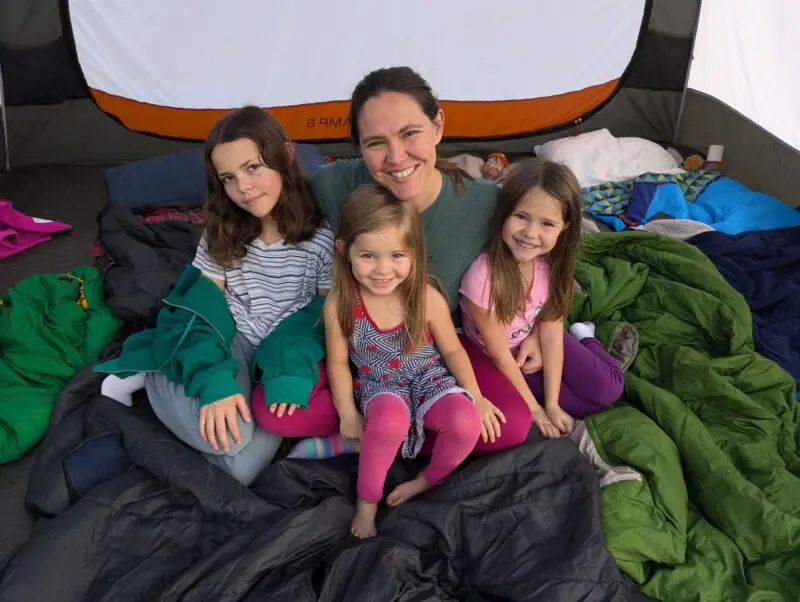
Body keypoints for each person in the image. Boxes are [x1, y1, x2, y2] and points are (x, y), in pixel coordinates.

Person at [255, 66, 531, 450]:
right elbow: (272, 205)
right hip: (356, 351)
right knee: (273, 410)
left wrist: (542, 325)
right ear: (359, 147)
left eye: (410, 133)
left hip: (432, 355)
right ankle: (385, 425)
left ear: (438, 126)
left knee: (513, 424)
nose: (396, 157)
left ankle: (384, 433)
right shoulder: (333, 186)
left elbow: (532, 255)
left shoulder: (484, 202)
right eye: (375, 143)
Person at [95, 106, 334, 486]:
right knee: (231, 441)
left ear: (285, 156)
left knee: (242, 470)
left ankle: (185, 412)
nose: (244, 187)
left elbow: (320, 314)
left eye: (253, 167)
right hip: (230, 337)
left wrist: (288, 366)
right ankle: (159, 371)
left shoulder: (322, 237)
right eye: (229, 177)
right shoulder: (223, 231)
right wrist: (213, 383)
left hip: (281, 346)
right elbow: (201, 308)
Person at [308, 184, 486, 538]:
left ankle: (426, 479)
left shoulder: (427, 297)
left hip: (429, 377)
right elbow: (339, 364)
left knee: (467, 422)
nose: (382, 269)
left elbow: (452, 351)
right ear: (345, 251)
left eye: (396, 255)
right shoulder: (341, 306)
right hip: (380, 385)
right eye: (368, 256)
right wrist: (347, 412)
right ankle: (368, 501)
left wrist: (476, 395)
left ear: (414, 253)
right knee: (388, 422)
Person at [460, 158, 624, 438]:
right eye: (521, 216)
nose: (530, 233)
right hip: (503, 356)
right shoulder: (482, 277)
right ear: (505, 213)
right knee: (580, 404)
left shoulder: (549, 264)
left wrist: (550, 402)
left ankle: (586, 337)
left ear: (564, 227)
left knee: (611, 387)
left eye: (547, 223)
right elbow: (500, 356)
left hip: (534, 339)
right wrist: (537, 409)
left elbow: (551, 330)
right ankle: (582, 344)